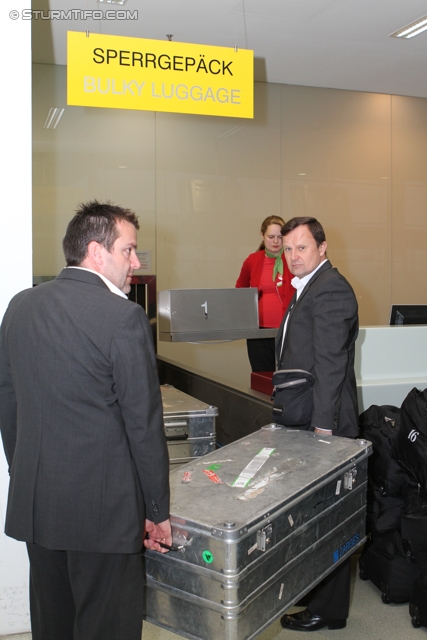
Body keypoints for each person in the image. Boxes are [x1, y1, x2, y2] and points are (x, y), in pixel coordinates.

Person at [0, 201, 171, 640]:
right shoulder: (123, 318)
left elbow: (9, 402)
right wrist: (156, 511)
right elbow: (143, 425)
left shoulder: (19, 307)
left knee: (52, 622)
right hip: (104, 515)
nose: (135, 262)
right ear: (97, 252)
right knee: (106, 627)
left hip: (37, 505)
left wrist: (23, 472)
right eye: (129, 250)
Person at [276, 216, 359, 632]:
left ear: (323, 248)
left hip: (324, 426)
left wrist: (323, 431)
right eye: (288, 249)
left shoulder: (330, 290)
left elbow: (330, 366)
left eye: (302, 247)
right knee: (313, 517)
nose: (293, 256)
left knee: (328, 520)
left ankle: (329, 610)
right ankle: (317, 594)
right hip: (307, 420)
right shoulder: (306, 288)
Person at [236, 215, 294, 372]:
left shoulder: (293, 259)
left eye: (280, 237)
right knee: (262, 377)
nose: (275, 242)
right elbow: (240, 289)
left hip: (289, 329)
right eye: (271, 237)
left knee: (289, 376)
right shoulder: (252, 260)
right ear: (262, 236)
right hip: (259, 331)